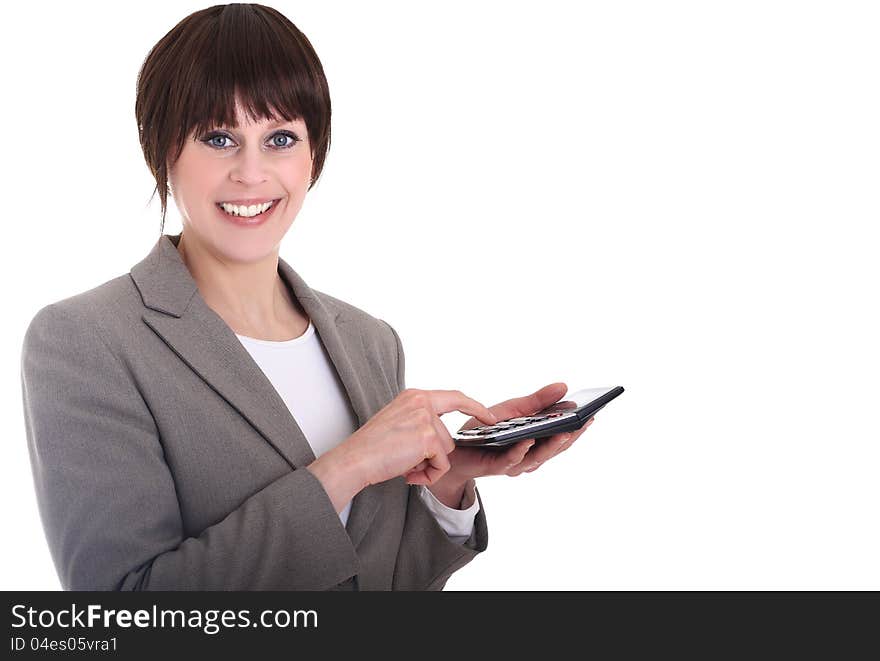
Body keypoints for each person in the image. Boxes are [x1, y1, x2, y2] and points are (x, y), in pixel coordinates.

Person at [19, 3, 593, 591]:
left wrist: (449, 478)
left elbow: (384, 585)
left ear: (312, 154)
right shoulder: (86, 341)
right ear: (163, 149)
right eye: (219, 138)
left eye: (280, 138)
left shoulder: (370, 341)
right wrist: (348, 466)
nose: (251, 172)